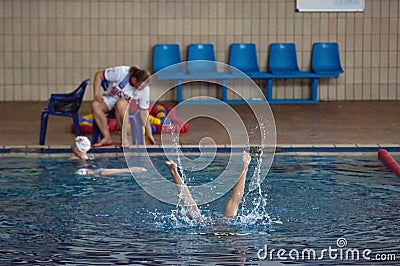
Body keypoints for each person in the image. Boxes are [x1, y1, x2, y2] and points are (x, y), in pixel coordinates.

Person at [165, 151, 252, 220]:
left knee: (193, 212)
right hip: (221, 227)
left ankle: (174, 172)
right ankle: (174, 172)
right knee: (193, 212)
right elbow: (235, 200)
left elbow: (235, 200)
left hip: (218, 227)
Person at [91, 65, 155, 148]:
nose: (143, 89)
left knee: (120, 103)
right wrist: (96, 94)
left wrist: (149, 132)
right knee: (95, 105)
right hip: (110, 98)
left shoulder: (145, 89)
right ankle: (107, 137)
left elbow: (144, 111)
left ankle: (124, 139)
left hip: (128, 106)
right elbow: (98, 75)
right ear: (134, 80)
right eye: (141, 86)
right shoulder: (122, 72)